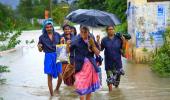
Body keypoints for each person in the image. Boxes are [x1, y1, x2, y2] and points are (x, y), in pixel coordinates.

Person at [70, 26, 100, 100]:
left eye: (85, 32)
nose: (83, 34)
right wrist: (67, 45)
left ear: (88, 32)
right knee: (80, 85)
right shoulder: (76, 40)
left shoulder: (91, 40)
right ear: (80, 32)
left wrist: (93, 45)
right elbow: (68, 51)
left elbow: (97, 53)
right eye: (82, 32)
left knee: (89, 86)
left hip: (90, 66)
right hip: (79, 66)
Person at [37, 18, 62, 96]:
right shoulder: (41, 37)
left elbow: (61, 46)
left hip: (57, 54)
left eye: (50, 27)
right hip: (48, 56)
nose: (49, 28)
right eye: (47, 27)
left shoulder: (58, 35)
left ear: (52, 27)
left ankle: (57, 89)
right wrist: (39, 47)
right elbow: (40, 50)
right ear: (45, 28)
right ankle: (52, 95)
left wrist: (62, 42)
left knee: (60, 76)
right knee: (49, 76)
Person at [100, 25, 126, 91]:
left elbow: (122, 48)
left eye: (112, 29)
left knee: (117, 81)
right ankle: (110, 93)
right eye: (109, 29)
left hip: (117, 63)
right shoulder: (104, 40)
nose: (111, 30)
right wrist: (97, 41)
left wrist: (124, 41)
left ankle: (116, 91)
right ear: (107, 31)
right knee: (109, 79)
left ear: (114, 30)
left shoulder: (118, 39)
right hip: (108, 63)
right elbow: (100, 49)